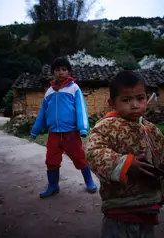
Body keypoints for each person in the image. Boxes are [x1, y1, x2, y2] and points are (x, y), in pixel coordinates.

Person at [85, 70, 164, 237]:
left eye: (140, 98)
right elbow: (93, 152)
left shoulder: (152, 130)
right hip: (120, 206)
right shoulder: (105, 127)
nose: (135, 105)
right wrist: (124, 163)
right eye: (126, 100)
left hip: (149, 204)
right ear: (112, 103)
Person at [30, 57, 97, 199]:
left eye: (64, 69)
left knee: (79, 157)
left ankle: (89, 181)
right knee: (51, 160)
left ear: (69, 72)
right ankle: (53, 186)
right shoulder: (49, 91)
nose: (60, 72)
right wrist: (36, 130)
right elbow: (43, 113)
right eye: (57, 70)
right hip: (53, 133)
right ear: (53, 72)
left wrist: (83, 127)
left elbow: (81, 109)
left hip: (71, 133)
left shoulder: (74, 88)